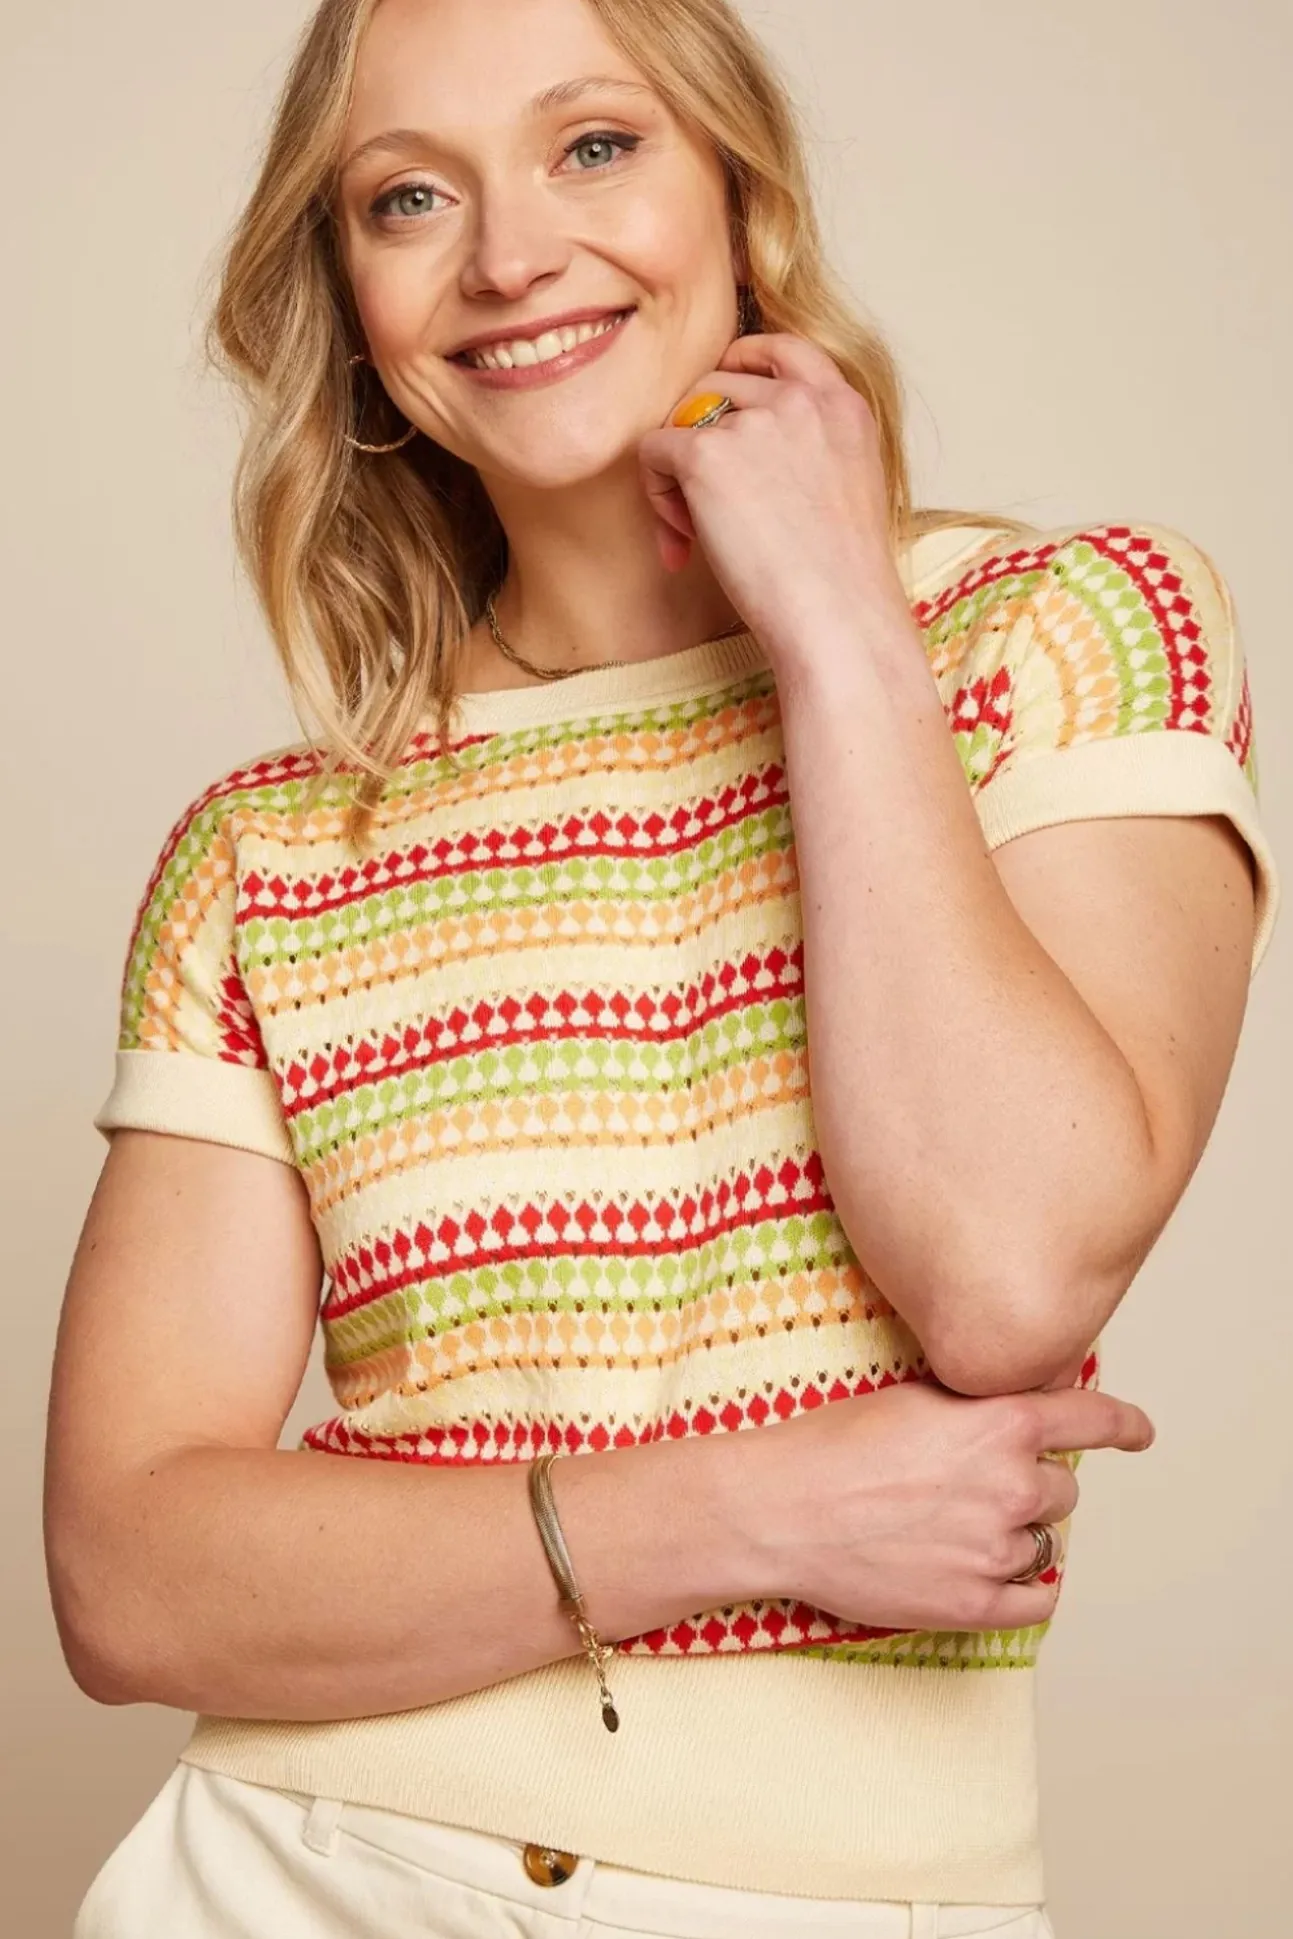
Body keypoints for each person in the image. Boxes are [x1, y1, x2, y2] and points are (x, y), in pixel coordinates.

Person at [46, 0, 1279, 1935]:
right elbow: (127, 1577)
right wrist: (744, 1512)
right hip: (288, 1875)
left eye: (596, 146)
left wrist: (840, 629)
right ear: (352, 302)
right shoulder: (268, 852)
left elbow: (1008, 1272)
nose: (510, 254)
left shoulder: (1061, 635)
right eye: (408, 197)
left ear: (738, 187)